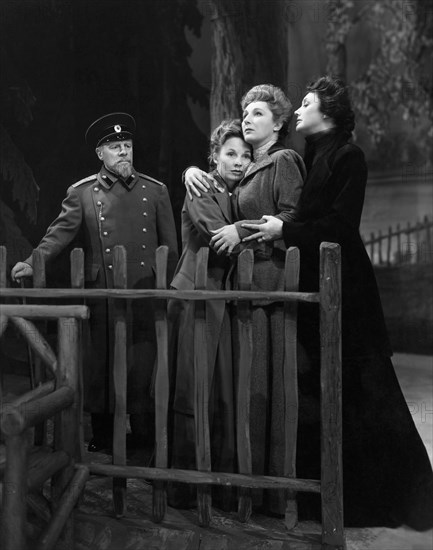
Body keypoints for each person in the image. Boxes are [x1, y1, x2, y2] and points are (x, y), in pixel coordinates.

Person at [241, 76, 433, 529]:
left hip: (348, 290)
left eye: (306, 104)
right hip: (320, 283)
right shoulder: (314, 155)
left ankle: (394, 500)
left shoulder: (349, 156)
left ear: (327, 112)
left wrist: (284, 231)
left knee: (366, 390)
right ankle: (341, 495)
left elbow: (341, 226)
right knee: (330, 390)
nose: (299, 111)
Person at [11, 112, 179, 455]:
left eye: (127, 146)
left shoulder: (155, 191)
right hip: (104, 296)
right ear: (100, 154)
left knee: (144, 363)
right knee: (104, 364)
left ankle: (145, 437)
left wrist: (170, 286)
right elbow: (58, 234)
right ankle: (104, 436)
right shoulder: (83, 193)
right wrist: (32, 262)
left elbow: (170, 248)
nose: (124, 153)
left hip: (146, 291)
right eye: (115, 147)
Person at [184, 84, 306, 515]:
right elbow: (219, 198)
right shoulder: (254, 165)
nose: (249, 119)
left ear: (278, 122)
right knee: (246, 390)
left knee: (266, 390)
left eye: (257, 113)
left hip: (269, 286)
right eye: (246, 113)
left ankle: (271, 495)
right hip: (245, 287)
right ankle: (244, 489)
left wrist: (241, 228)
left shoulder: (284, 160)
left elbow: (292, 217)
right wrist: (191, 172)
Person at [169, 119, 255, 509]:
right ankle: (185, 486)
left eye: (245, 155)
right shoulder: (202, 187)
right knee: (192, 387)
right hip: (197, 296)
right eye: (230, 154)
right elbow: (221, 237)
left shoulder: (241, 193)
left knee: (221, 391)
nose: (239, 162)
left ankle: (219, 483)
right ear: (215, 158)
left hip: (222, 298)